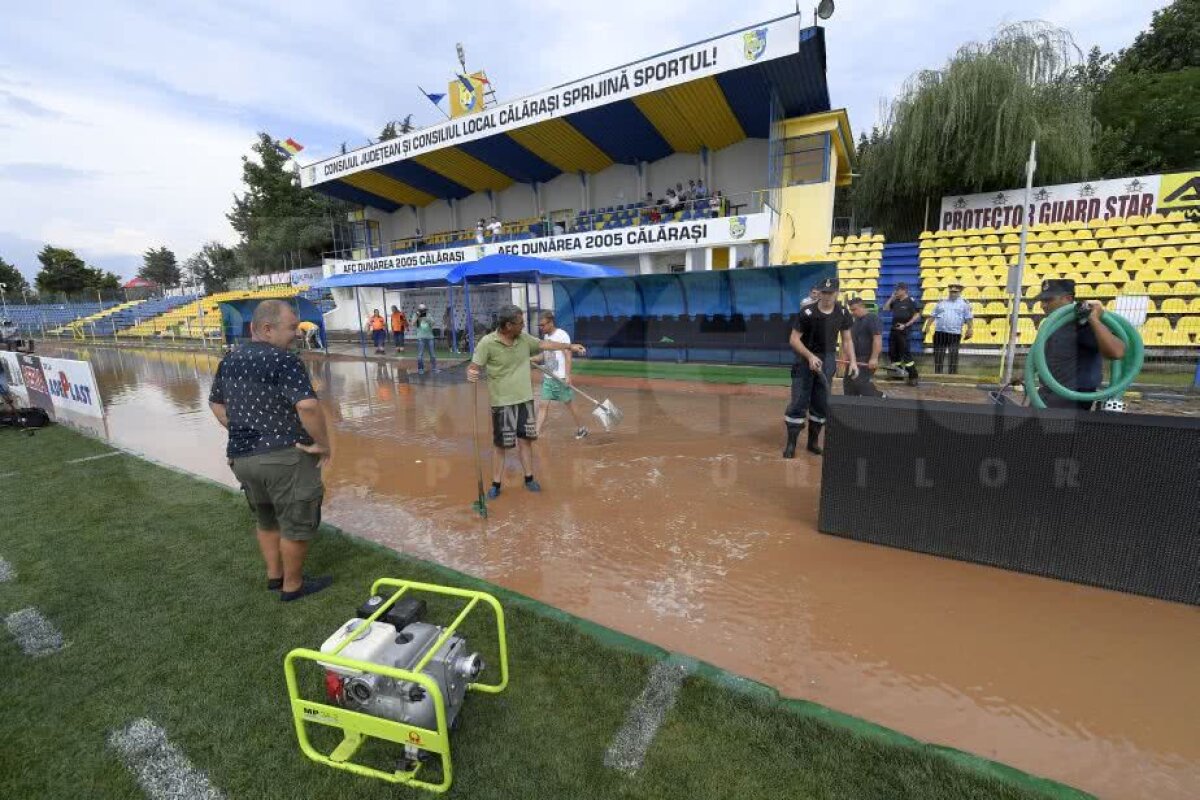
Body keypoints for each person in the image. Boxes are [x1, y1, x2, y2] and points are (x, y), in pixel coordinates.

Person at [207, 300, 333, 602]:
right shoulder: (284, 360)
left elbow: (216, 404)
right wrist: (322, 444)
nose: (297, 334)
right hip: (284, 459)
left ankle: (275, 576)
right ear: (266, 329)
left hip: (242, 459)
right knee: (296, 524)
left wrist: (243, 431)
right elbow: (308, 406)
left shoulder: (230, 359)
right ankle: (293, 586)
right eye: (292, 328)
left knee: (266, 519)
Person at [467, 304, 585, 498]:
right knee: (501, 445)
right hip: (502, 402)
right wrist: (471, 373)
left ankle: (529, 478)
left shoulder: (523, 339)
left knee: (526, 441)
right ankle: (496, 484)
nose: (523, 326)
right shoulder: (487, 343)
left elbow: (544, 345)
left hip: (525, 399)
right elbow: (474, 366)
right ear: (508, 325)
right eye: (520, 323)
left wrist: (569, 346)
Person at [783, 277, 858, 458]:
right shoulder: (807, 312)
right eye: (824, 292)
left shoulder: (842, 312)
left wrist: (853, 362)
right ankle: (791, 444)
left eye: (830, 293)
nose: (826, 296)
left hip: (828, 359)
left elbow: (847, 340)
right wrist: (810, 356)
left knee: (821, 403)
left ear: (837, 293)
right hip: (804, 359)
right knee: (799, 402)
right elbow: (794, 339)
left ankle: (813, 443)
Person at [1033, 279, 1126, 409]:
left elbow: (1117, 352)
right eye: (1042, 301)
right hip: (1050, 391)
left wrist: (1093, 319)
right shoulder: (1053, 324)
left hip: (1072, 396)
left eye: (1048, 300)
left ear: (1068, 298)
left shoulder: (1083, 323)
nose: (1042, 305)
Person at [531, 310, 589, 439]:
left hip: (560, 378)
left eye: (543, 325)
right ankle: (536, 432)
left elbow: (568, 355)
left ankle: (582, 428)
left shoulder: (562, 335)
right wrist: (532, 359)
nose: (541, 328)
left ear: (551, 322)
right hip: (549, 378)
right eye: (539, 325)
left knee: (570, 404)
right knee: (543, 405)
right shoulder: (546, 337)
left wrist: (568, 376)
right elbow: (545, 355)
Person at [923, 283, 973, 374]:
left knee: (953, 355)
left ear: (960, 292)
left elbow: (968, 317)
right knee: (938, 355)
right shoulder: (941, 302)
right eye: (951, 292)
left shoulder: (964, 304)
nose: (953, 293)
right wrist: (927, 325)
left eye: (955, 292)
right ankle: (938, 374)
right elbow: (933, 315)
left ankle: (952, 375)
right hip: (940, 333)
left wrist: (970, 329)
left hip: (954, 334)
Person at [844, 297, 885, 397]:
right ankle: (851, 404)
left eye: (854, 309)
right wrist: (849, 356)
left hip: (867, 357)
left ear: (862, 306)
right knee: (848, 383)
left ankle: (881, 398)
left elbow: (877, 339)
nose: (852, 312)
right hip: (855, 358)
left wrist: (874, 358)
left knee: (861, 383)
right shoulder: (856, 321)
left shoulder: (872, 318)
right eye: (851, 310)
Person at [883, 282, 921, 386]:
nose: (896, 291)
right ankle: (898, 374)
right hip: (894, 330)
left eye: (898, 290)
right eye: (895, 290)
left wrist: (906, 325)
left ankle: (913, 376)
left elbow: (917, 315)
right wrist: (891, 298)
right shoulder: (896, 301)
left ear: (904, 290)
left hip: (904, 331)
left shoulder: (911, 301)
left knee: (905, 354)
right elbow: (885, 308)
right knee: (893, 352)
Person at [413, 304, 436, 374]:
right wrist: (418, 317)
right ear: (419, 310)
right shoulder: (416, 315)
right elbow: (413, 324)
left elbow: (433, 323)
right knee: (420, 354)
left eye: (424, 310)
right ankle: (420, 369)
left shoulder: (428, 315)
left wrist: (427, 319)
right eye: (421, 310)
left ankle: (434, 368)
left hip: (430, 337)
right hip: (421, 337)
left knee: (432, 354)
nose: (423, 311)